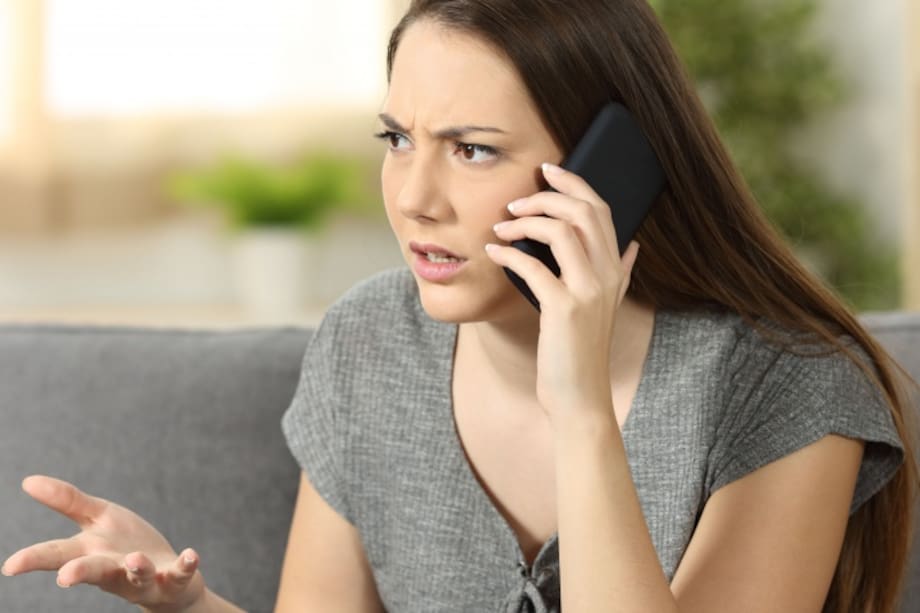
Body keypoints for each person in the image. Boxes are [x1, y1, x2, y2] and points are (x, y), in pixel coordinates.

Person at [2, 1, 916, 611]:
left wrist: (581, 406)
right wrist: (190, 602)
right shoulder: (370, 341)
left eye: (472, 149)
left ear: (613, 169)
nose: (413, 199)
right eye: (397, 138)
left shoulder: (788, 388)